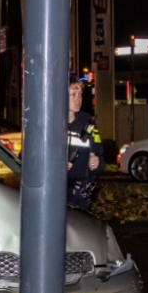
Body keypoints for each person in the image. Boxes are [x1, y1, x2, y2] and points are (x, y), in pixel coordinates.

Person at [66, 76, 104, 211]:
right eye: (73, 94)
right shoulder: (49, 125)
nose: (78, 99)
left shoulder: (88, 124)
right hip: (56, 193)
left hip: (81, 197)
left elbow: (100, 158)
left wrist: (96, 163)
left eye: (80, 94)